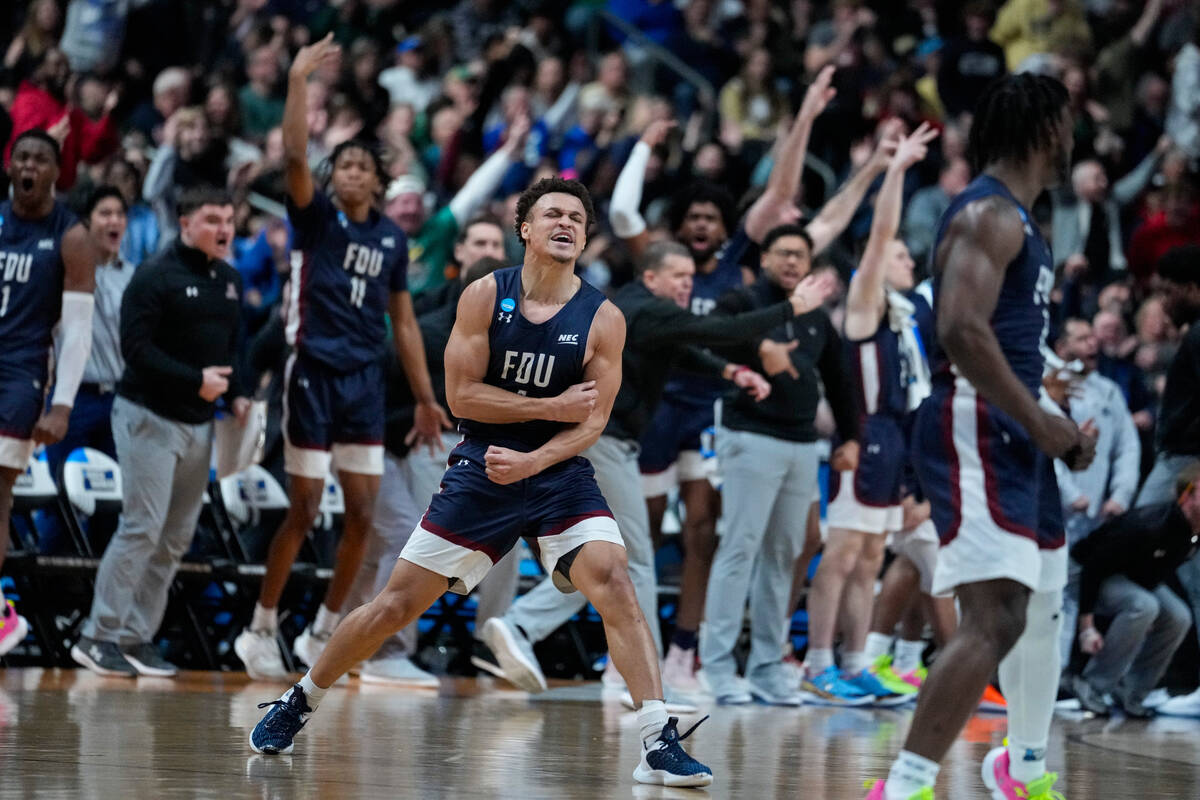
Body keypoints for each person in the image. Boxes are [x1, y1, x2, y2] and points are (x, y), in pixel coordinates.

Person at [248, 176, 714, 788]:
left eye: (576, 217)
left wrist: (534, 458)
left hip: (557, 471)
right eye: (553, 214)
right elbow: (462, 397)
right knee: (395, 605)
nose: (566, 224)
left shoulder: (603, 317)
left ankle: (658, 738)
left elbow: (592, 422)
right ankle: (300, 698)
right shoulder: (482, 296)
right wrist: (547, 409)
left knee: (615, 581)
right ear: (525, 227)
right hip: (480, 467)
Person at [866, 73, 1097, 800]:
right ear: (1043, 130)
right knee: (994, 615)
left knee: (1044, 600)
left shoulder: (1025, 223)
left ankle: (1021, 769)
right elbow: (960, 331)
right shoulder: (988, 216)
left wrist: (1045, 407)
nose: (1075, 136)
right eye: (1068, 123)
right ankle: (904, 786)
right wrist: (1043, 423)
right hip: (976, 420)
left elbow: (1002, 335)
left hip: (1016, 425)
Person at [481, 240, 833, 696]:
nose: (688, 284)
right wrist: (792, 307)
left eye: (691, 276)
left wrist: (729, 374)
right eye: (678, 276)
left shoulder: (635, 311)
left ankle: (524, 627)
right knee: (635, 559)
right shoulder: (648, 309)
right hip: (601, 443)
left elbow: (681, 349)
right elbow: (721, 330)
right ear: (651, 278)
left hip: (592, 440)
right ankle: (644, 684)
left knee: (600, 562)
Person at [233, 35, 449, 681]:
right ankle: (260, 627)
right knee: (303, 507)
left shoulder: (389, 238)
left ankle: (325, 633)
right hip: (311, 370)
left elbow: (405, 322)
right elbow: (297, 152)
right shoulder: (316, 219)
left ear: (380, 181)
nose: (349, 172)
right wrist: (299, 80)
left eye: (361, 166)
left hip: (363, 380)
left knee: (361, 513)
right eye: (343, 165)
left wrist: (425, 397)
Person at [71, 185, 247, 678]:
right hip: (148, 415)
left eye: (229, 219)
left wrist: (240, 392)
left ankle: (135, 636)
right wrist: (197, 381)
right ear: (186, 222)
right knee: (141, 528)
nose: (224, 228)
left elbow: (237, 348)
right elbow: (137, 351)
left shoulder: (230, 280)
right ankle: (97, 634)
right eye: (213, 218)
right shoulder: (154, 276)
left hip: (199, 425)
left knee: (174, 539)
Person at [699, 222, 861, 706]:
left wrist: (851, 436)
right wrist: (757, 348)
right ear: (765, 257)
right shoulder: (742, 302)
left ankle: (768, 666)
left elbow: (839, 377)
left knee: (785, 555)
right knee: (739, 548)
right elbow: (712, 339)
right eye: (784, 252)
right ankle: (718, 666)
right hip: (749, 436)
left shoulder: (816, 317)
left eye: (801, 255)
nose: (792, 261)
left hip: (801, 444)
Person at [806, 122, 939, 706]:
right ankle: (816, 665)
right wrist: (897, 171)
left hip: (895, 440)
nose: (906, 260)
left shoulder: (904, 316)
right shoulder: (864, 302)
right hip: (863, 436)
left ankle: (857, 660)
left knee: (867, 559)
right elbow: (882, 232)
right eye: (899, 256)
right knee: (841, 556)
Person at [0, 130, 96, 658]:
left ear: (55, 172)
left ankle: (0, 614)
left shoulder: (71, 235)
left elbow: (77, 331)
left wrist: (61, 404)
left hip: (21, 374)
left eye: (41, 158)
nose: (30, 164)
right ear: (10, 164)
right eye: (23, 156)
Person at [1069, 462, 1200, 718]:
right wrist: (1087, 627)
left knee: (1179, 616)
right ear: (1187, 495)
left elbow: (1154, 570)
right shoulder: (1149, 524)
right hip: (1082, 573)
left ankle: (1131, 691)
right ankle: (1091, 684)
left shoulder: (1191, 533)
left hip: (1131, 577)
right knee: (1143, 605)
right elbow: (1094, 566)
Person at [45, 187, 135, 481]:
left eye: (120, 214)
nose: (115, 221)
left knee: (112, 500)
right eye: (105, 213)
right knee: (61, 497)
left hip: (120, 399)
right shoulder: (62, 272)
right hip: (72, 398)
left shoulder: (135, 277)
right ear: (86, 222)